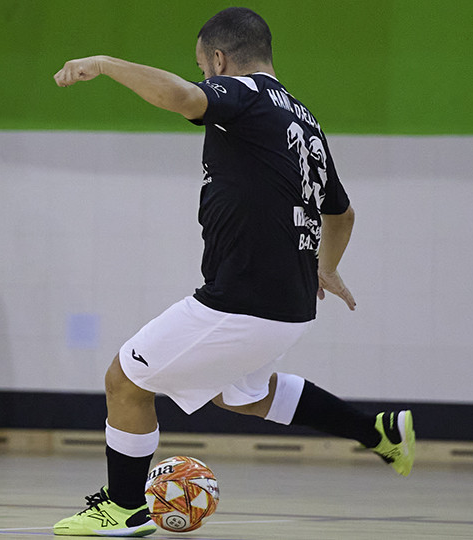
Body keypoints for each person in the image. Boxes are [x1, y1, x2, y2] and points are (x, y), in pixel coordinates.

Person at [52, 8, 414, 536]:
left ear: (218, 60)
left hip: (242, 298)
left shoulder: (243, 94)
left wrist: (105, 63)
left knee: (126, 380)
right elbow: (342, 212)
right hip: (288, 303)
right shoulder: (303, 119)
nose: (202, 77)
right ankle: (376, 431)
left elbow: (183, 99)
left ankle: (124, 506)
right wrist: (326, 267)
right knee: (243, 394)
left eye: (203, 67)